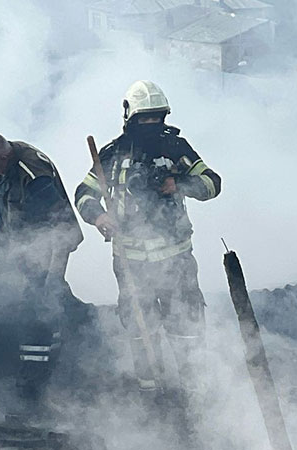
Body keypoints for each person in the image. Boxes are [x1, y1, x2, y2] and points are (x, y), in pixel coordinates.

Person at [73, 80, 221, 399]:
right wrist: (99, 217)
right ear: (131, 117)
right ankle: (151, 394)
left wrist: (178, 184)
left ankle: (194, 392)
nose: (151, 125)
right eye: (145, 119)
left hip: (176, 259)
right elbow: (84, 194)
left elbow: (212, 183)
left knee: (186, 327)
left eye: (156, 118)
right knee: (141, 329)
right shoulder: (112, 155)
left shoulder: (176, 149)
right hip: (131, 262)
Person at [0, 131, 83, 417]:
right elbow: (2, 215)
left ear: (3, 156)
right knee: (32, 312)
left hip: (47, 255)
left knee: (41, 315)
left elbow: (63, 229)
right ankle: (35, 377)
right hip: (24, 255)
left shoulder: (32, 175)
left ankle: (34, 389)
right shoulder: (0, 170)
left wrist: (53, 277)